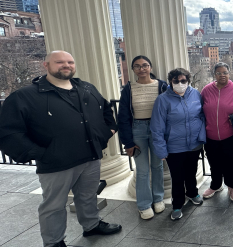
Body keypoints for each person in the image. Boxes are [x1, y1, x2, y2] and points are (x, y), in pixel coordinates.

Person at [0, 51, 122, 247]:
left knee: (88, 196)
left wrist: (108, 131)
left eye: (70, 62)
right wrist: (41, 154)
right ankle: (54, 242)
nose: (66, 65)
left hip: (90, 157)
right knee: (54, 206)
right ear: (45, 65)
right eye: (60, 62)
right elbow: (9, 133)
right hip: (56, 163)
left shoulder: (86, 88)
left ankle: (91, 225)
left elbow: (105, 109)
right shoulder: (25, 96)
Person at [150, 68, 206, 221]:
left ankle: (193, 193)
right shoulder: (163, 100)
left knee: (191, 171)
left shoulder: (195, 94)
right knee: (177, 177)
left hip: (194, 144)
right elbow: (157, 126)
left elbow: (201, 116)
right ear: (171, 82)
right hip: (174, 146)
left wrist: (201, 137)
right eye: (176, 81)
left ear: (188, 81)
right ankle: (177, 204)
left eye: (183, 81)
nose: (180, 84)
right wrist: (161, 150)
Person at [117, 55, 168, 220]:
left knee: (157, 166)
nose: (142, 69)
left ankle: (158, 198)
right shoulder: (129, 89)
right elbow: (123, 116)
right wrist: (128, 142)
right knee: (143, 170)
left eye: (145, 65)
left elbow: (169, 110)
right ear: (133, 70)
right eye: (137, 66)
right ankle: (144, 204)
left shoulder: (161, 86)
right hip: (137, 130)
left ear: (150, 67)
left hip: (157, 129)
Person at [201, 62, 233, 201]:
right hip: (210, 135)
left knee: (232, 163)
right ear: (214, 75)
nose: (222, 75)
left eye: (225, 72)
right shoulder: (206, 90)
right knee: (214, 163)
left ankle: (232, 187)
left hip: (230, 135)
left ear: (229, 73)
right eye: (219, 73)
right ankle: (215, 185)